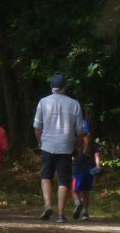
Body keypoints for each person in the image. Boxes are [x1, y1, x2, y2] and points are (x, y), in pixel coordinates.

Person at [33, 72, 83, 223]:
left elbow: (37, 126)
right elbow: (79, 130)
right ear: (64, 87)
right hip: (66, 147)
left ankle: (48, 204)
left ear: (51, 86)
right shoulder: (74, 104)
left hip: (47, 144)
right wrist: (77, 145)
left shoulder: (43, 102)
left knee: (46, 176)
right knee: (63, 180)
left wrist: (40, 141)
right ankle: (61, 214)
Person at [72, 120, 102, 220]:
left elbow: (71, 155)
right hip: (90, 172)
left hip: (78, 171)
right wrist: (97, 166)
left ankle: (78, 203)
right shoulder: (94, 143)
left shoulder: (76, 143)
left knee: (74, 190)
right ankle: (85, 213)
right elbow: (97, 155)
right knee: (86, 192)